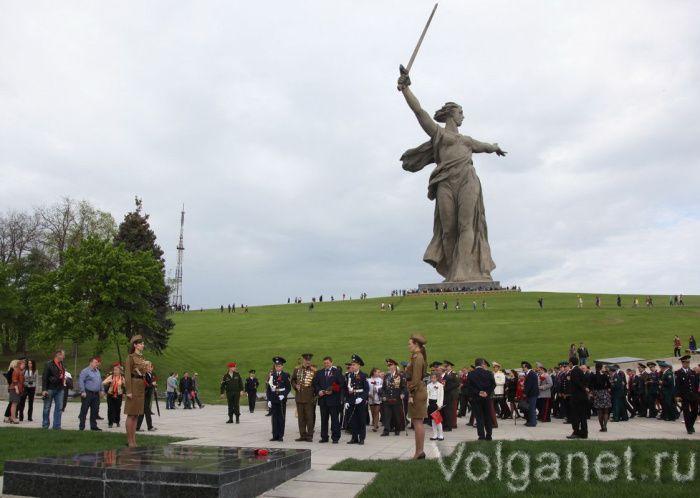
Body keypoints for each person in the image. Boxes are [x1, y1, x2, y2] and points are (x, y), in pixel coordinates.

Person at [397, 67, 505, 283]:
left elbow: (484, 146)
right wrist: (406, 89)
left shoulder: (467, 141)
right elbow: (420, 112)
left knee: (467, 226)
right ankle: (452, 271)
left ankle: (463, 272)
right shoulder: (439, 134)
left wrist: (494, 147)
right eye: (461, 112)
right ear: (451, 114)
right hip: (445, 183)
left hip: (467, 180)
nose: (463, 115)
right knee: (449, 230)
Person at [124, 335, 148, 447]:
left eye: (143, 343)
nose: (143, 345)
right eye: (141, 343)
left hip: (140, 387)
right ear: (135, 345)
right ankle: (130, 440)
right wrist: (128, 391)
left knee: (136, 415)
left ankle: (134, 440)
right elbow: (127, 375)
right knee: (131, 414)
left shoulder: (141, 358)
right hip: (133, 386)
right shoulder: (130, 357)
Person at [406, 334, 428, 459]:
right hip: (418, 390)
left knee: (418, 421)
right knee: (416, 421)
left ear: (416, 344)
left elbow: (415, 378)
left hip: (417, 391)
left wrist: (411, 392)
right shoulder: (416, 356)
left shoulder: (418, 357)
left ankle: (419, 452)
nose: (408, 346)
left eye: (410, 343)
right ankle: (419, 451)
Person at [314, 356, 344, 443]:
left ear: (331, 363)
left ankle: (335, 437)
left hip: (333, 400)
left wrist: (332, 390)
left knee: (335, 420)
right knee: (324, 420)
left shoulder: (337, 372)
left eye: (327, 363)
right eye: (324, 363)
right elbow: (316, 384)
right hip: (323, 400)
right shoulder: (319, 372)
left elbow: (342, 384)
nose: (326, 365)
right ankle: (324, 437)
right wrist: (319, 391)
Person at [468, 358, 496, 440]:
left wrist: (478, 392)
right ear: (482, 364)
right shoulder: (488, 373)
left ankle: (481, 436)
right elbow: (493, 384)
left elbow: (469, 387)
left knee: (479, 417)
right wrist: (487, 392)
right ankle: (489, 435)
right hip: (486, 398)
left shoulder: (471, 374)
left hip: (476, 398)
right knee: (487, 416)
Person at [291, 353, 317, 441]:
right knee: (301, 418)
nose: (307, 362)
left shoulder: (314, 370)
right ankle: (302, 435)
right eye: (306, 360)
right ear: (303, 360)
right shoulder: (297, 369)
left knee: (309, 418)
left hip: (309, 397)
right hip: (299, 397)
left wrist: (314, 395)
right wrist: (295, 386)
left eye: (309, 360)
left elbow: (316, 384)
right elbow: (293, 380)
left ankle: (310, 436)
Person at [345, 354, 369, 445]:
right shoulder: (349, 375)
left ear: (359, 365)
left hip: (360, 400)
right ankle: (354, 437)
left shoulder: (363, 375)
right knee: (353, 420)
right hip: (351, 399)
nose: (352, 366)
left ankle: (361, 438)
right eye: (352, 364)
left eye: (354, 364)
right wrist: (346, 401)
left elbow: (366, 389)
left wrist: (361, 398)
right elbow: (347, 389)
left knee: (361, 420)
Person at [266, 356, 291, 441]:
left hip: (281, 399)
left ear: (282, 366)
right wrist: (269, 400)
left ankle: (280, 435)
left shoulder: (285, 375)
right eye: (276, 366)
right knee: (274, 418)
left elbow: (288, 388)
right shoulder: (272, 375)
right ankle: (274, 435)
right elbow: (269, 389)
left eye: (279, 366)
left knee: (281, 417)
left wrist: (283, 395)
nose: (278, 367)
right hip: (273, 398)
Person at [380, 359, 406, 436]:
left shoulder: (400, 376)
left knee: (396, 415)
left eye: (390, 365)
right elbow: (383, 388)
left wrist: (402, 394)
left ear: (395, 366)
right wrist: (383, 396)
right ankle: (386, 430)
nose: (389, 367)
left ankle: (397, 429)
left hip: (396, 399)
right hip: (387, 399)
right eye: (388, 365)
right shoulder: (386, 376)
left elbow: (404, 387)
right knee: (387, 415)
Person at [41, 349, 66, 430]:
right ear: (58, 355)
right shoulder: (49, 364)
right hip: (50, 388)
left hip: (60, 388)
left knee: (59, 408)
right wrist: (44, 389)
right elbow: (44, 377)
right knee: (47, 407)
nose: (64, 356)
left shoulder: (61, 364)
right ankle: (45, 425)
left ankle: (56, 426)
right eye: (63, 354)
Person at [77, 357, 103, 431]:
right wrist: (83, 391)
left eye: (97, 362)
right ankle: (81, 426)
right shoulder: (85, 371)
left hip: (96, 394)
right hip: (87, 393)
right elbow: (81, 381)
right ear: (90, 362)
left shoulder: (97, 371)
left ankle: (93, 426)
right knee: (84, 410)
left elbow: (100, 381)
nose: (97, 364)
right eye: (95, 362)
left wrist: (102, 390)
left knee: (94, 410)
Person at [675, 355, 699, 434]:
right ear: (683, 363)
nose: (688, 364)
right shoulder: (678, 373)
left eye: (689, 362)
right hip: (684, 396)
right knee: (686, 413)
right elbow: (677, 385)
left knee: (695, 411)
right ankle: (689, 428)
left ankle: (690, 425)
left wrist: (697, 394)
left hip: (693, 395)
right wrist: (678, 395)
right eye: (686, 362)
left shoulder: (692, 372)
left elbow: (695, 384)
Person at [567, 357, 589, 439]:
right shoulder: (579, 370)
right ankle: (584, 433)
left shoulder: (574, 371)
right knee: (582, 416)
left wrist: (583, 389)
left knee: (575, 416)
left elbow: (577, 383)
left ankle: (576, 432)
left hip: (577, 397)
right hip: (582, 397)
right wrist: (585, 389)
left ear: (571, 363)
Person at [136, 361, 157, 432]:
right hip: (144, 395)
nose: (150, 368)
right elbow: (145, 385)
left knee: (142, 412)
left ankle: (137, 427)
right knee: (147, 411)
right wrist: (152, 384)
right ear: (145, 367)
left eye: (150, 366)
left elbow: (149, 384)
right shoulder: (144, 375)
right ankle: (150, 427)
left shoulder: (149, 374)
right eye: (148, 366)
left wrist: (153, 385)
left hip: (147, 395)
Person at [591, 362, 612, 432]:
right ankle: (605, 426)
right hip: (604, 393)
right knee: (606, 412)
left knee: (599, 412)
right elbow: (609, 384)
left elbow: (590, 385)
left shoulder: (593, 375)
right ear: (601, 367)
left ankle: (602, 426)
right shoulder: (605, 375)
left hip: (597, 393)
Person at [103, 363, 125, 428]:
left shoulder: (122, 378)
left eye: (116, 370)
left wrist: (125, 392)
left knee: (118, 409)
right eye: (114, 370)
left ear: (120, 371)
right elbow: (103, 383)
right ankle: (110, 422)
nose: (115, 371)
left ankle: (117, 421)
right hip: (110, 394)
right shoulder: (111, 376)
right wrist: (109, 381)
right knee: (110, 409)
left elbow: (126, 386)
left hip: (119, 395)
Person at [441, 360, 460, 430]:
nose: (446, 367)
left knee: (453, 409)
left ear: (450, 367)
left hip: (453, 393)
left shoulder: (454, 374)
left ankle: (453, 424)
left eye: (447, 366)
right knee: (448, 410)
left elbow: (457, 383)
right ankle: (449, 423)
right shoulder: (445, 374)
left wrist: (448, 387)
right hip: (447, 394)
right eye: (446, 366)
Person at [427, 372, 444, 441]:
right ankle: (435, 434)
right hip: (430, 403)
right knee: (432, 420)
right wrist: (427, 404)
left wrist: (439, 404)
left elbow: (441, 396)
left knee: (438, 420)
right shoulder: (428, 385)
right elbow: (427, 395)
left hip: (436, 403)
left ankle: (441, 435)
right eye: (432, 378)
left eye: (434, 378)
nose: (433, 379)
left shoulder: (440, 385)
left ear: (437, 378)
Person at [7, 359, 25, 424]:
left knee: (15, 404)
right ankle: (13, 418)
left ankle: (12, 417)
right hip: (14, 389)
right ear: (19, 364)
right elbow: (14, 380)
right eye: (23, 364)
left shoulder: (20, 371)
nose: (24, 366)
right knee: (14, 404)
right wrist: (17, 389)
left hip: (16, 389)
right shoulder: (16, 371)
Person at [521, 361, 539, 427]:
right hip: (531, 394)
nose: (523, 368)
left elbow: (529, 385)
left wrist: (525, 393)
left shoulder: (531, 374)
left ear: (527, 367)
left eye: (523, 367)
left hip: (532, 394)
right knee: (530, 408)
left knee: (532, 408)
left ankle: (533, 422)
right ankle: (530, 421)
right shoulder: (530, 373)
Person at [367, 368, 383, 433]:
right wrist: (369, 394)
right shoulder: (368, 380)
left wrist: (378, 390)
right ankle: (374, 422)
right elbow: (366, 388)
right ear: (373, 372)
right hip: (371, 398)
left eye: (379, 372)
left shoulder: (380, 380)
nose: (378, 373)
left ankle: (375, 426)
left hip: (378, 398)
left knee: (376, 411)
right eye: (377, 372)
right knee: (373, 412)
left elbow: (382, 388)